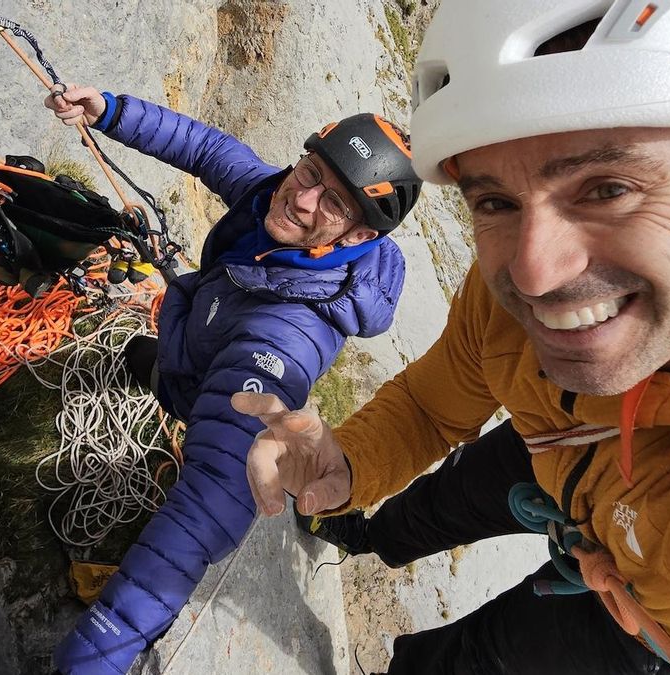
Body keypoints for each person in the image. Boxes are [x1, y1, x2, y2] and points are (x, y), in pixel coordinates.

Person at [234, 1, 670, 673]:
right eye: (495, 202)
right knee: (435, 508)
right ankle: (357, 529)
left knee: (467, 662)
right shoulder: (512, 302)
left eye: (608, 188)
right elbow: (431, 406)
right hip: (556, 444)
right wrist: (351, 462)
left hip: (642, 618)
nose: (535, 273)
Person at [42, 85, 422, 673]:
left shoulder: (286, 338)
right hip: (192, 344)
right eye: (311, 171)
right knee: (141, 357)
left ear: (359, 236)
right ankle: (159, 376)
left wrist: (97, 652)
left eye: (334, 203)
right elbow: (207, 148)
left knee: (196, 462)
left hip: (213, 377)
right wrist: (111, 111)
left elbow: (214, 500)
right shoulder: (273, 194)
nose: (302, 199)